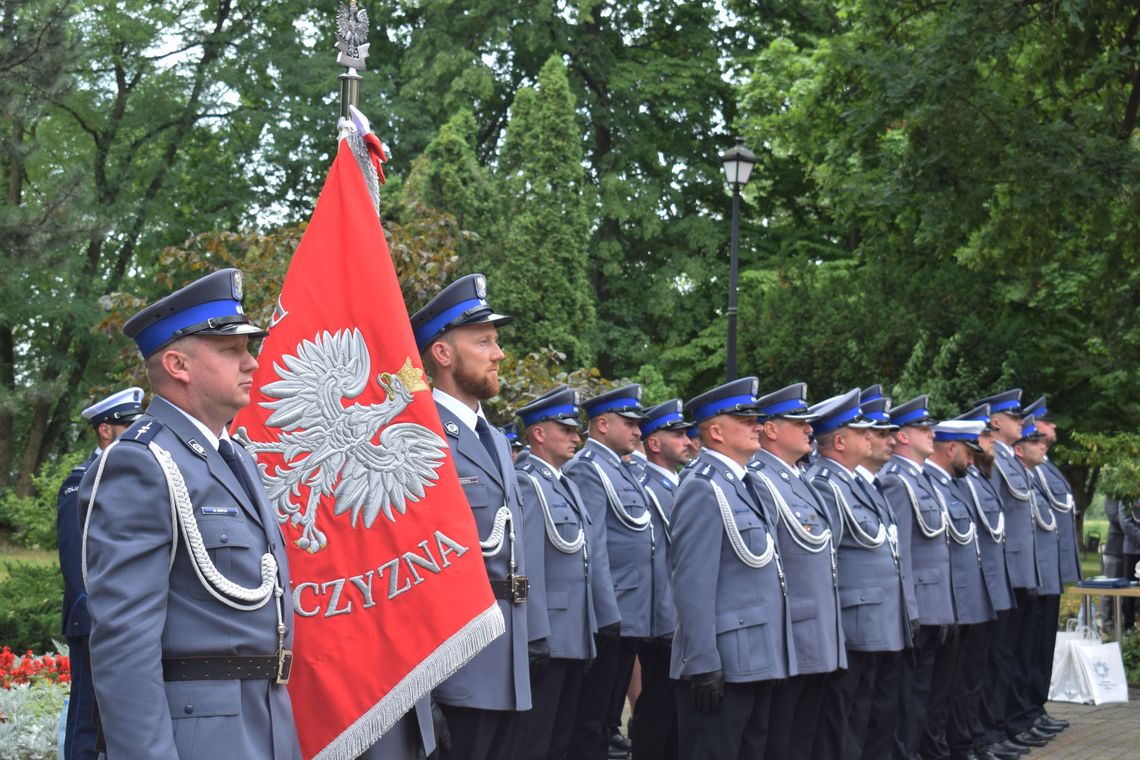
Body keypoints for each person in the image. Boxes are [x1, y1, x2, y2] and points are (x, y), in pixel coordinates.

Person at [78, 269, 300, 759]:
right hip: (200, 738)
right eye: (231, 350)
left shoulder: (235, 456)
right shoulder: (140, 463)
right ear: (178, 364)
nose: (252, 363)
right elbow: (124, 647)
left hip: (266, 721)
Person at [409, 273, 535, 760]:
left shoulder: (495, 439)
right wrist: (423, 691)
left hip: (505, 661)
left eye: (496, 341)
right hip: (454, 673)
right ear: (442, 354)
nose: (498, 353)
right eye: (483, 341)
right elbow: (413, 570)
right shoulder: (420, 436)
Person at [670, 377, 795, 760]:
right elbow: (691, 584)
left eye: (757, 417)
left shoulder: (746, 484)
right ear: (715, 430)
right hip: (725, 662)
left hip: (756, 657)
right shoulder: (702, 488)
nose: (758, 425)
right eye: (746, 419)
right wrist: (704, 664)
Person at [809, 388, 910, 760]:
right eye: (860, 431)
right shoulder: (825, 484)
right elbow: (827, 563)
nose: (870, 436)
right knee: (847, 723)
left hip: (877, 619)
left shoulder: (855, 483)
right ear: (839, 440)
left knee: (872, 716)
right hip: (854, 623)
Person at [749, 383, 846, 760]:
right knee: (783, 739)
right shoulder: (759, 479)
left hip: (815, 629)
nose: (810, 428)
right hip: (792, 631)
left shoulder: (796, 477)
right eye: (798, 421)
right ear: (771, 429)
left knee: (805, 735)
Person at [564, 384, 658, 760]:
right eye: (630, 423)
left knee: (607, 721)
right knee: (591, 720)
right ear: (602, 424)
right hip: (610, 617)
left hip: (629, 613)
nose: (639, 431)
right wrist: (608, 615)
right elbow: (594, 547)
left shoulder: (621, 469)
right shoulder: (589, 470)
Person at [511, 386, 601, 760]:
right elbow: (527, 561)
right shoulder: (528, 482)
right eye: (565, 429)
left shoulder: (564, 484)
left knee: (562, 738)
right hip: (548, 633)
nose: (575, 437)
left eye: (575, 429)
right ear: (539, 433)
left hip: (574, 632)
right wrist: (534, 632)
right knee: (538, 741)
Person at [57, 387, 144, 760]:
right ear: (105, 430)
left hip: (128, 618)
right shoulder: (81, 481)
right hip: (94, 618)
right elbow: (76, 561)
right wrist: (96, 614)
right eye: (129, 426)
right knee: (88, 717)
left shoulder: (132, 477)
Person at [973, 389, 1053, 753]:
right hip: (1006, 571)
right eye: (1014, 417)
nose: (1022, 423)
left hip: (1022, 570)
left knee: (1016, 652)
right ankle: (997, 727)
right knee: (1001, 656)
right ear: (995, 422)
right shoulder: (996, 460)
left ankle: (1011, 722)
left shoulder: (1013, 460)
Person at [876, 394, 955, 760]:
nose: (931, 433)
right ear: (903, 436)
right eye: (923, 428)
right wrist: (910, 611)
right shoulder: (897, 481)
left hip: (934, 602)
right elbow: (900, 553)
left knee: (922, 692)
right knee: (909, 696)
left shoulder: (919, 479)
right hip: (918, 606)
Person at [950, 406, 1020, 760]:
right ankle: (970, 739)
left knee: (980, 672)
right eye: (986, 437)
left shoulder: (979, 478)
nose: (992, 443)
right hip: (969, 591)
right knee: (965, 677)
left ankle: (979, 737)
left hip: (987, 587)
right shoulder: (964, 480)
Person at [925, 420, 996, 760]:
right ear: (951, 448)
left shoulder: (953, 485)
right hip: (944, 599)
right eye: (968, 453)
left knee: (960, 682)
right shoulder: (929, 485)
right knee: (939, 688)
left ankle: (960, 744)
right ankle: (947, 747)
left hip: (963, 598)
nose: (971, 461)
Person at [631, 400, 691, 760]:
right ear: (654, 443)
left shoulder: (679, 484)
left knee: (676, 718)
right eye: (677, 433)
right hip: (665, 622)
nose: (687, 440)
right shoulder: (647, 488)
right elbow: (656, 560)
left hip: (679, 620)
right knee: (658, 713)